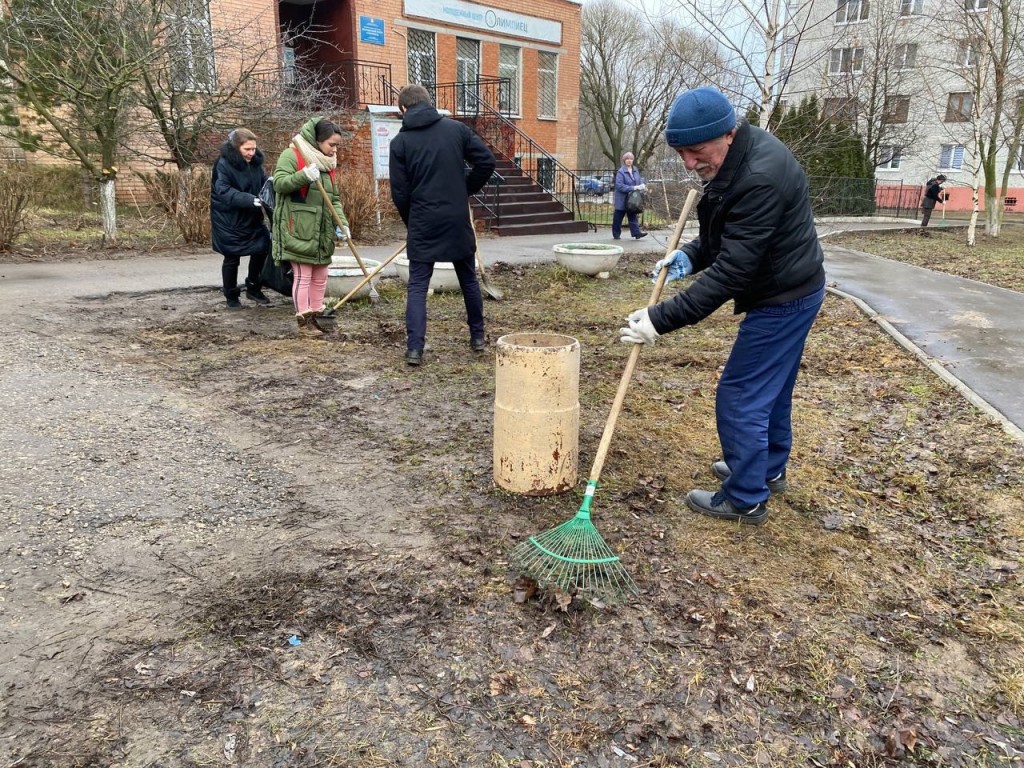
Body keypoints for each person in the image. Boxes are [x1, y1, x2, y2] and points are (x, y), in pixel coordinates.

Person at [619, 86, 826, 526]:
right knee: (772, 390)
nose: (691, 164)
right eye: (681, 154)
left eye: (697, 152)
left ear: (728, 134)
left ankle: (746, 496)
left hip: (783, 297)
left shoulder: (759, 176)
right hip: (793, 286)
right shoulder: (739, 158)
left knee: (741, 395)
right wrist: (691, 255)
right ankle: (766, 470)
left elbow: (733, 271)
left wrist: (660, 318)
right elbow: (727, 233)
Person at [389, 84, 496, 366]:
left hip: (423, 219)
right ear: (428, 103)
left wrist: (411, 221)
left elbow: (399, 193)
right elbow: (486, 161)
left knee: (417, 286)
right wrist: (463, 190)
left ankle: (414, 349)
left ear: (403, 109)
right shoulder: (456, 130)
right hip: (455, 217)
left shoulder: (400, 143)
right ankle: (477, 337)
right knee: (468, 278)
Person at [271, 117, 350, 336]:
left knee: (321, 273)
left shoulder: (326, 163)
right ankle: (303, 320)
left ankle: (317, 313)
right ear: (317, 141)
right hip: (299, 228)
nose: (334, 150)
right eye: (331, 145)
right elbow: (279, 184)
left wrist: (342, 224)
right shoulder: (293, 154)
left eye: (336, 145)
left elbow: (333, 200)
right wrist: (303, 176)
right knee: (303, 275)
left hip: (321, 229)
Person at [210, 128, 272, 310]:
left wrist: (271, 186)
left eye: (254, 149)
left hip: (251, 216)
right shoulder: (223, 164)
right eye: (247, 149)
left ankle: (253, 287)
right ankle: (231, 296)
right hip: (229, 219)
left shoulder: (255, 162)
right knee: (232, 257)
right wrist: (248, 199)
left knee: (262, 249)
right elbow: (223, 190)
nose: (252, 153)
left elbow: (263, 181)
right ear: (236, 147)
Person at [611, 152, 648, 240]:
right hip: (622, 198)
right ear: (624, 160)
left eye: (631, 159)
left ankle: (636, 233)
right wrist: (634, 187)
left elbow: (638, 181)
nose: (629, 160)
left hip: (632, 198)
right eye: (627, 159)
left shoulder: (635, 169)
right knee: (618, 217)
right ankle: (616, 234)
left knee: (632, 215)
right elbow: (619, 186)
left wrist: (642, 186)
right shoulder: (621, 171)